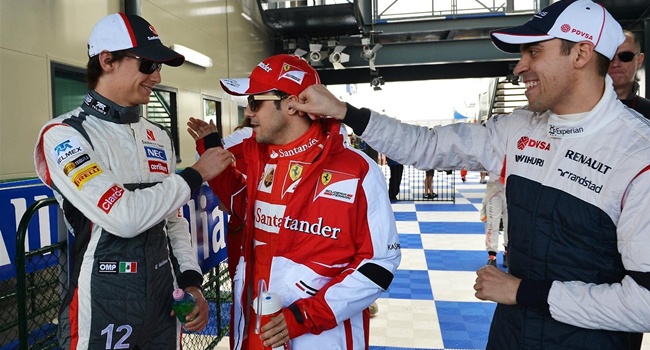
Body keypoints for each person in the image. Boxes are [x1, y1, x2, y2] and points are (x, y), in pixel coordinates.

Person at [291, 1, 650, 348]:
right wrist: (345, 111)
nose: (519, 68)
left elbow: (645, 304)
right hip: (510, 333)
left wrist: (522, 291)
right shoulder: (517, 128)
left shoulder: (638, 155)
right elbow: (426, 146)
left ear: (581, 54)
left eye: (534, 52)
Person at [33, 13, 226, 349]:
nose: (157, 75)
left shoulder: (157, 134)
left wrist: (192, 281)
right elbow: (124, 218)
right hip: (103, 299)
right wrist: (196, 175)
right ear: (107, 60)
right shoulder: (64, 135)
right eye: (148, 64)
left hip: (164, 296)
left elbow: (173, 220)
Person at [187, 54, 401, 350]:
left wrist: (303, 317)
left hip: (320, 336)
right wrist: (209, 147)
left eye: (253, 102)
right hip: (254, 331)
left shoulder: (358, 169)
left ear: (290, 103)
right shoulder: (257, 157)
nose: (248, 114)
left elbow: (379, 264)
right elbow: (242, 208)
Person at [608, 30, 650, 118]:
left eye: (625, 56)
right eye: (609, 56)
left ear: (639, 60)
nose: (615, 64)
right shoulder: (578, 110)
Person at [479, 172, 508, 267]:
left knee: (510, 224)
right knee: (492, 223)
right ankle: (492, 256)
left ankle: (508, 253)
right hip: (494, 188)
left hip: (513, 188)